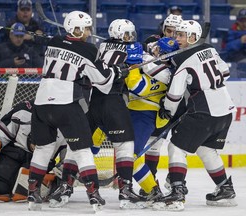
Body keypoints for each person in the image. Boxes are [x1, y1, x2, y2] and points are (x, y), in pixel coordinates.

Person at [27, 11, 122, 212]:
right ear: (76, 29)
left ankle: (32, 192)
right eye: (86, 28)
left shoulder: (53, 42)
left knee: (43, 149)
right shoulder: (89, 49)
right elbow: (103, 82)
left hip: (42, 102)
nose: (88, 32)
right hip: (65, 103)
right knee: (82, 150)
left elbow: (64, 47)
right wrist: (116, 71)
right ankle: (94, 195)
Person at [152, 20, 237, 211]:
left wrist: (167, 111)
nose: (177, 39)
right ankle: (225, 189)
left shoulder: (182, 60)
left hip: (204, 111)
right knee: (206, 150)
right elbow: (225, 71)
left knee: (176, 147)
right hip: (225, 110)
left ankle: (177, 192)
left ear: (193, 37)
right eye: (177, 35)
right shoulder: (211, 49)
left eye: (182, 36)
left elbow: (174, 95)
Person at [86, 19, 147, 209]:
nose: (131, 37)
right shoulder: (133, 48)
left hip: (93, 102)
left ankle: (65, 186)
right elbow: (138, 86)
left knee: (80, 147)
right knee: (125, 145)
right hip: (113, 101)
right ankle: (125, 190)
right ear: (121, 35)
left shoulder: (102, 46)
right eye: (128, 34)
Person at [0, 100, 67, 202]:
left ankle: (49, 185)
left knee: (25, 190)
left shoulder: (67, 124)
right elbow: (1, 132)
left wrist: (62, 174)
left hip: (41, 161)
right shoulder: (24, 110)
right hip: (14, 152)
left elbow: (70, 158)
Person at [125, 37, 179, 202]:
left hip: (144, 115)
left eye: (157, 50)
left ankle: (153, 191)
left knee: (130, 157)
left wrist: (133, 64)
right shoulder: (158, 66)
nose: (153, 50)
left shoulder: (164, 74)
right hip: (135, 113)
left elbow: (136, 86)